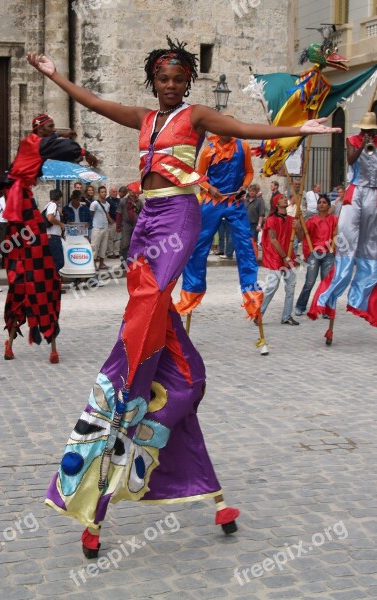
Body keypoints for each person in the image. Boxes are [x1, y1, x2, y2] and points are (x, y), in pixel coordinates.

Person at [27, 38, 340, 558]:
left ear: (187, 82)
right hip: (146, 221)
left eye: (177, 78)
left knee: (145, 314)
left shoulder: (196, 116)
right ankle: (208, 484)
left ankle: (121, 379)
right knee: (173, 365)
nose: (170, 85)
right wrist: (54, 75)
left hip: (178, 216)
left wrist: (297, 131)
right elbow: (92, 101)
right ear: (153, 81)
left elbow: (244, 130)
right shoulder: (145, 120)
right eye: (163, 79)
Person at [2, 112, 98, 364]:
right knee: (41, 279)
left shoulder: (31, 145)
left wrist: (60, 134)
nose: (54, 130)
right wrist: (84, 151)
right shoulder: (37, 143)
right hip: (22, 211)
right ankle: (47, 341)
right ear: (40, 129)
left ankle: (12, 343)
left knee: (24, 279)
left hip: (19, 214)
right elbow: (66, 148)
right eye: (50, 127)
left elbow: (55, 142)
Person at [175, 120, 257, 317]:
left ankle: (252, 295)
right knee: (198, 246)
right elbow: (199, 176)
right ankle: (191, 294)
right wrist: (209, 188)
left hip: (235, 202)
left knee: (246, 246)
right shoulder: (207, 151)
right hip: (212, 202)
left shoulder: (243, 146)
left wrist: (244, 187)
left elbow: (249, 172)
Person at [309, 112, 377, 325]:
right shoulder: (353, 140)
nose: (368, 133)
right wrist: (361, 146)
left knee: (370, 246)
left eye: (371, 131)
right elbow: (349, 160)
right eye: (366, 130)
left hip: (374, 193)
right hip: (356, 192)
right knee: (347, 241)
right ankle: (330, 294)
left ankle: (361, 298)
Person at [260, 196, 303, 325]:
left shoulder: (292, 220)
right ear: (276, 203)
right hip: (276, 257)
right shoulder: (271, 220)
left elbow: (301, 238)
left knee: (290, 287)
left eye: (285, 198)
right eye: (282, 198)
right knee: (272, 287)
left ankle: (286, 316)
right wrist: (284, 256)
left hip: (289, 256)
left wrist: (298, 228)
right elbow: (273, 240)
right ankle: (259, 313)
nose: (285, 199)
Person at [294, 195, 337, 316]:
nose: (321, 204)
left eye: (324, 202)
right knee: (310, 282)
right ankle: (300, 306)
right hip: (315, 254)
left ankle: (325, 308)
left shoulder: (334, 220)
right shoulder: (311, 220)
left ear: (328, 205)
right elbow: (302, 237)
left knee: (326, 282)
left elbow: (339, 234)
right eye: (320, 202)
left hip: (328, 254)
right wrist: (297, 228)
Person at [116, 181, 144, 266]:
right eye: (131, 190)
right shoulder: (123, 202)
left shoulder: (139, 202)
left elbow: (142, 214)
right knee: (125, 244)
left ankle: (132, 262)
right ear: (129, 191)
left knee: (134, 244)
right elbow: (119, 214)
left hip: (136, 225)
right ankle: (123, 262)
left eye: (134, 190)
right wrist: (118, 226)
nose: (132, 192)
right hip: (126, 225)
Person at [90, 185, 111, 270]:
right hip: (97, 228)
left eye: (105, 192)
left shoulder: (107, 204)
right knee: (95, 246)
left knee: (103, 247)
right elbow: (91, 215)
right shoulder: (94, 204)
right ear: (98, 193)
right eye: (102, 192)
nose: (104, 193)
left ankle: (102, 263)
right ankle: (93, 263)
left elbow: (107, 214)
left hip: (105, 227)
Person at [45, 189, 65, 273]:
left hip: (51, 236)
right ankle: (51, 277)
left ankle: (51, 279)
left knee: (52, 261)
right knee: (59, 261)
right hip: (53, 237)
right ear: (59, 197)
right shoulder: (53, 205)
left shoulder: (48, 205)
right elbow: (50, 217)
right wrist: (60, 224)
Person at [0, 179, 12, 268]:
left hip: (9, 222)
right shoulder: (1, 200)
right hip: (3, 223)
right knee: (1, 243)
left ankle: (5, 262)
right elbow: (6, 211)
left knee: (9, 243)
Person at [106, 185, 120, 258]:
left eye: (116, 191)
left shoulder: (118, 200)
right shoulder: (107, 200)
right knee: (110, 238)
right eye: (113, 192)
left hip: (118, 222)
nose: (115, 193)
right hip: (112, 222)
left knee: (118, 238)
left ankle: (116, 252)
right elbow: (106, 212)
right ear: (110, 192)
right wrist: (110, 220)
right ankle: (110, 253)